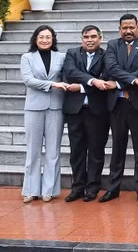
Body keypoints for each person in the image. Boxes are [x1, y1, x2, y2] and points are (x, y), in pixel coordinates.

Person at [100, 14, 138, 203]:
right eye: (124, 28)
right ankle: (113, 188)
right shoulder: (112, 45)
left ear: (137, 28)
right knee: (117, 147)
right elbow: (111, 68)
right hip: (117, 105)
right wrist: (133, 80)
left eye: (131, 27)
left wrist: (116, 83)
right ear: (119, 29)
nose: (128, 31)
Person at [61, 25, 114, 202]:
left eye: (93, 37)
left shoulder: (107, 55)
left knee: (96, 151)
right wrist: (92, 80)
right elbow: (70, 72)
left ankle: (92, 186)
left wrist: (81, 85)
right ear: (81, 39)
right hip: (75, 111)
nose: (89, 40)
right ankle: (77, 187)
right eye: (86, 37)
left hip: (97, 111)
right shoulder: (72, 53)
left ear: (100, 38)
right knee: (76, 151)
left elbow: (106, 79)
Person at [20, 25, 67, 203]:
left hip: (56, 107)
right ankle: (31, 190)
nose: (45, 40)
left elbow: (67, 76)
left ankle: (49, 190)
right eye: (41, 37)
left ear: (53, 39)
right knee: (33, 150)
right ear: (35, 39)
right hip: (33, 108)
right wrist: (52, 84)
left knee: (53, 150)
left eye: (48, 37)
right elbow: (28, 80)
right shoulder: (27, 57)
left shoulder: (61, 57)